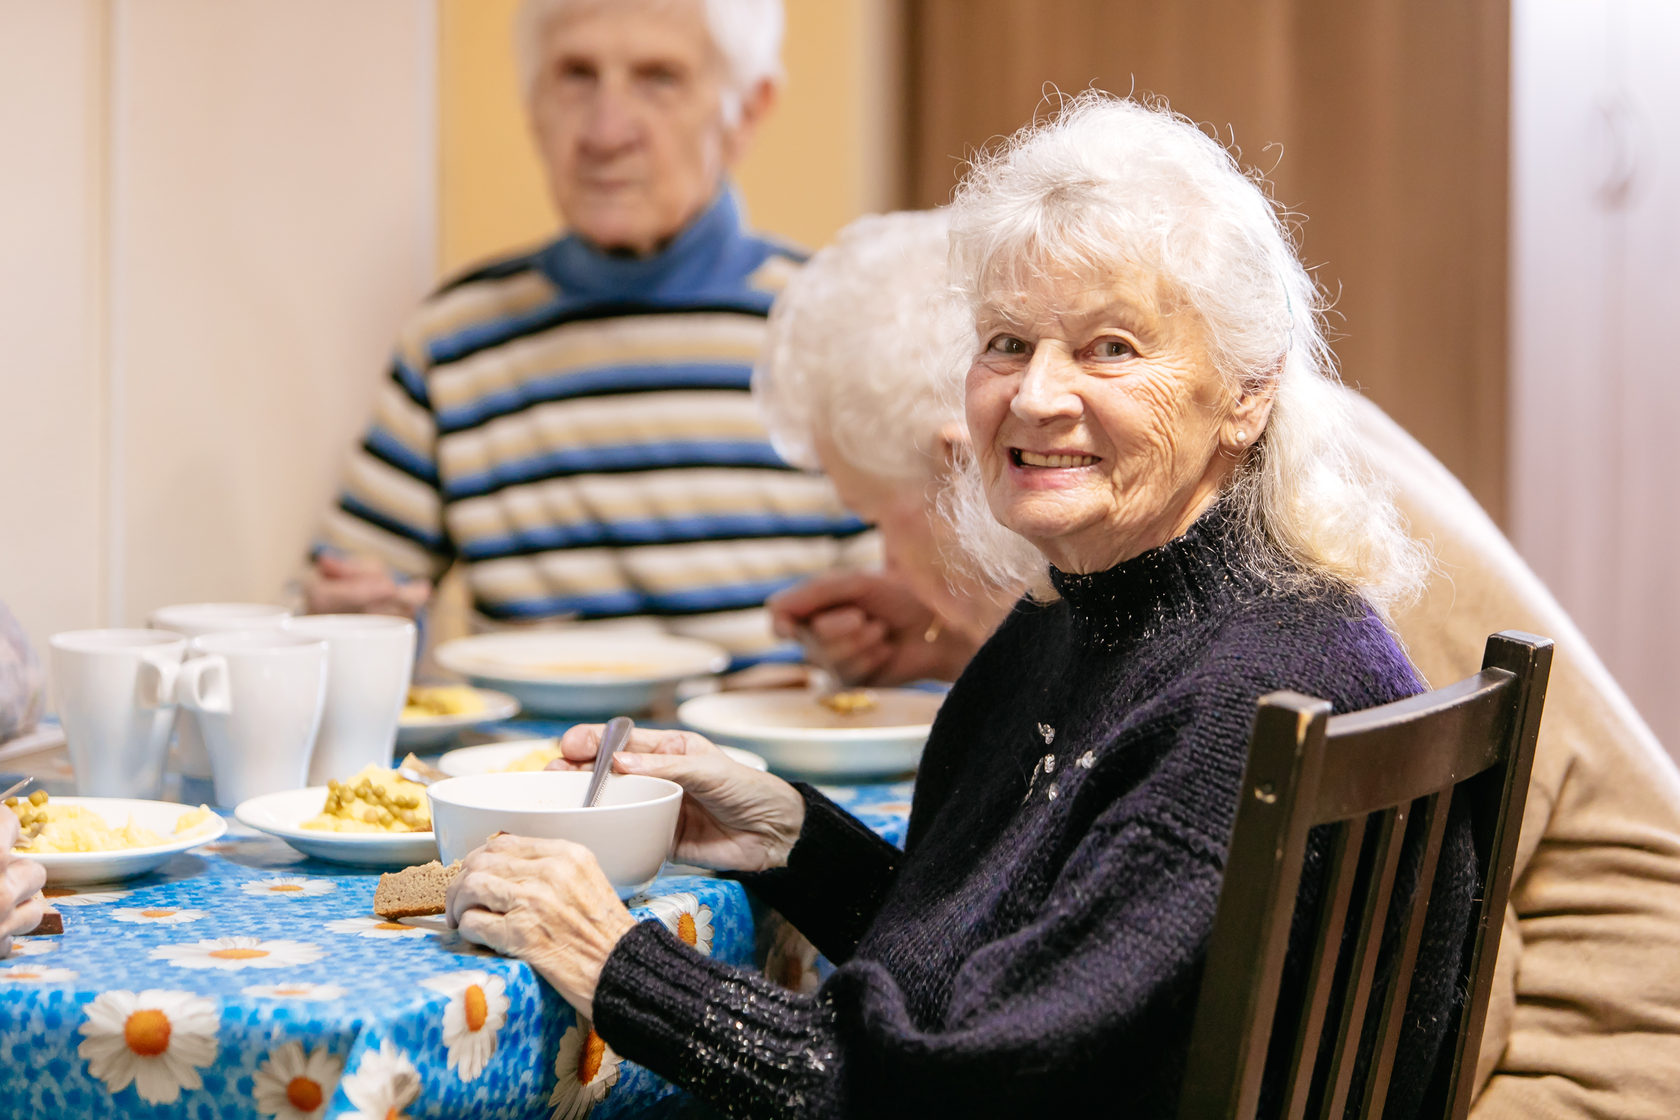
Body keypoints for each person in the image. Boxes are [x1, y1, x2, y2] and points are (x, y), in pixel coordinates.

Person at [442, 94, 1476, 1116]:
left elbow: (934, 1089)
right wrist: (788, 836)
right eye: (1008, 343)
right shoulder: (1086, 617)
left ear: (1248, 392)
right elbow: (997, 972)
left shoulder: (1244, 703)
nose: (1035, 396)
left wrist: (613, 960)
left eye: (1112, 347)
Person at [771, 212, 1680, 1118]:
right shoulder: (1197, 460)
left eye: (879, 523)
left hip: (1587, 1046)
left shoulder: (1296, 567)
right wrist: (952, 633)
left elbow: (1413, 990)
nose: (887, 565)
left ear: (958, 461)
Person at [306, 0, 870, 666]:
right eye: (575, 75)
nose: (606, 131)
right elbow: (331, 613)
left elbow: (920, 634)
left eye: (658, 77)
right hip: (532, 768)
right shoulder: (453, 340)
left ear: (747, 109)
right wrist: (349, 618)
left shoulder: (839, 326)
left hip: (769, 766)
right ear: (531, 103)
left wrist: (887, 639)